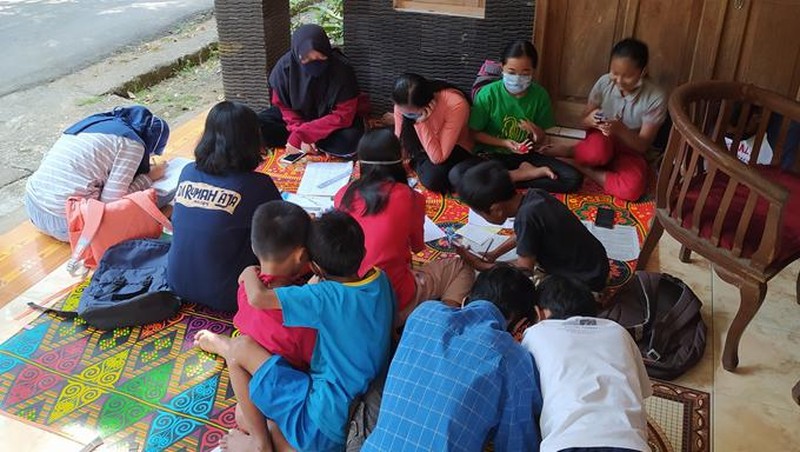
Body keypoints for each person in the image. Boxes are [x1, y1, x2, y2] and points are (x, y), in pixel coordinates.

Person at [194, 210, 395, 451]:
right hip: (358, 407)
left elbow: (258, 297)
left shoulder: (323, 298)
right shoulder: (380, 280)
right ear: (363, 252)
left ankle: (259, 446)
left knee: (240, 351)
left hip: (322, 421)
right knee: (249, 413)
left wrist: (248, 271)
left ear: (315, 267)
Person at [363, 264, 542, 452]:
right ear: (520, 324)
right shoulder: (512, 357)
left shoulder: (423, 314)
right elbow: (517, 444)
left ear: (466, 300)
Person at [334, 129, 474, 323]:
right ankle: (440, 321)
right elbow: (417, 247)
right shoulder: (410, 197)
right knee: (460, 267)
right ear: (400, 160)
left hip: (347, 300)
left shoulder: (343, 193)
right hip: (393, 300)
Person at [168, 101, 281, 312]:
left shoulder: (187, 171)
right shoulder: (258, 184)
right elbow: (284, 230)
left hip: (176, 282)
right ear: (251, 139)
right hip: (231, 294)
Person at [522, 275, 651, 452]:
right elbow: (642, 391)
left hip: (566, 443)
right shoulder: (618, 331)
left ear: (539, 313)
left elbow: (526, 398)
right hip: (630, 443)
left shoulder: (536, 333)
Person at [454, 161, 609, 292]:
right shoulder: (535, 195)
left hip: (584, 282)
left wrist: (481, 265)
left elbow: (524, 269)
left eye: (481, 213)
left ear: (496, 210)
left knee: (506, 288)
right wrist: (494, 253)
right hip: (597, 265)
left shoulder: (525, 219)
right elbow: (525, 234)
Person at [541, 38, 666, 201]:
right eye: (614, 73)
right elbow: (583, 122)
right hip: (601, 141)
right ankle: (573, 150)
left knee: (632, 189)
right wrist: (589, 120)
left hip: (630, 149)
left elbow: (642, 145)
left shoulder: (655, 97)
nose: (619, 81)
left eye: (627, 76)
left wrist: (619, 129)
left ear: (643, 72)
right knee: (597, 151)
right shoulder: (604, 82)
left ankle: (582, 166)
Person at [24, 105, 169, 241]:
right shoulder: (133, 143)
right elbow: (111, 202)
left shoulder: (95, 122)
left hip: (33, 208)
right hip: (67, 223)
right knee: (159, 197)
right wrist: (149, 177)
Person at [468, 40, 583, 193]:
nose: (517, 78)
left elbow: (541, 139)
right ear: (502, 67)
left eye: (525, 73)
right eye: (511, 72)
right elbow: (474, 134)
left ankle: (512, 178)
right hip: (493, 155)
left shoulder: (539, 95)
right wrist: (505, 143)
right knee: (470, 178)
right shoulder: (488, 94)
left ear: (533, 71)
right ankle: (525, 176)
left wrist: (535, 130)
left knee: (573, 179)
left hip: (525, 156)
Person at [259, 24, 367, 158]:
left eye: (320, 58)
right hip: (298, 116)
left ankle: (308, 144)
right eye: (307, 60)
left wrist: (303, 135)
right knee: (259, 125)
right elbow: (283, 106)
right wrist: (299, 130)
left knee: (351, 140)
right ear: (297, 55)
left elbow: (343, 115)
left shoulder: (342, 70)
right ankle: (315, 145)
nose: (314, 65)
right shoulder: (284, 69)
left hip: (330, 120)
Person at [232, 201, 317, 371]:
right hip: (286, 379)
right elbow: (316, 360)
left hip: (249, 359)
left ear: (253, 247)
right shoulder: (303, 317)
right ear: (301, 255)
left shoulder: (245, 287)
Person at [392, 73, 478, 194]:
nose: (405, 115)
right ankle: (419, 161)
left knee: (434, 178)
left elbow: (438, 158)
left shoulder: (455, 104)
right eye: (402, 111)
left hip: (453, 148)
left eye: (411, 114)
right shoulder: (401, 104)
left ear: (428, 103)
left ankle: (417, 162)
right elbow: (400, 139)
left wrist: (423, 123)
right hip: (423, 148)